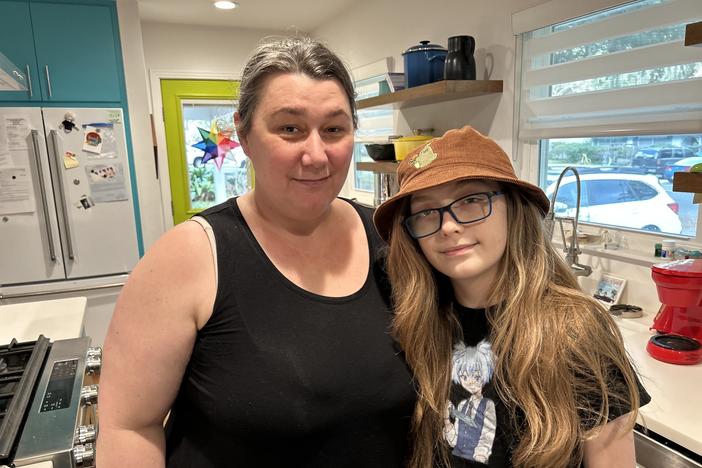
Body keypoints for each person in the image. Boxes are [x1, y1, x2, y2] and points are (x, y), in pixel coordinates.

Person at [97, 37, 416, 467]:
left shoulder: (389, 238)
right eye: (290, 128)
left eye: (334, 129)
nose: (316, 154)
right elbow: (129, 427)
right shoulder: (190, 256)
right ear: (244, 134)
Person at [372, 126, 650, 468]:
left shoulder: (576, 332)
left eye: (472, 200)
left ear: (514, 208)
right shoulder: (420, 323)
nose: (448, 226)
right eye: (427, 211)